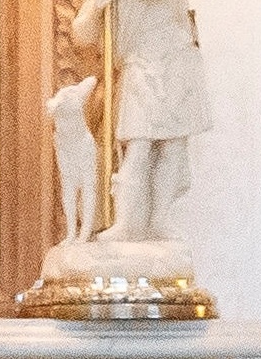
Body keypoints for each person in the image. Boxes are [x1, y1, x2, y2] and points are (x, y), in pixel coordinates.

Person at [73, 0, 212, 242]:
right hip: (141, 65)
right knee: (138, 148)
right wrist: (96, 8)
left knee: (173, 149)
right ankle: (126, 222)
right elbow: (81, 34)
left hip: (177, 58)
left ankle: (159, 220)